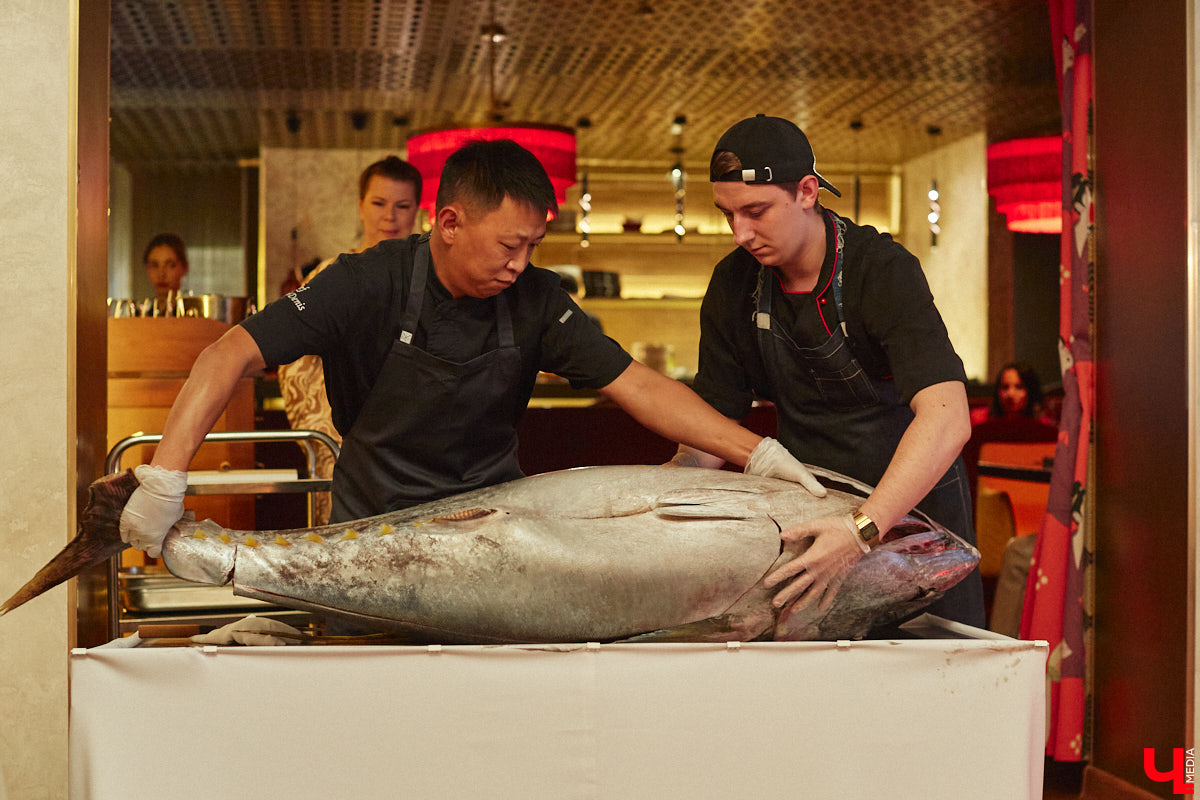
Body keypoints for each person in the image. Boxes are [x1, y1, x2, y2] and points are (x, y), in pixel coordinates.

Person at [120, 138, 826, 565]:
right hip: (369, 537)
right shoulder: (366, 281)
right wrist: (164, 479)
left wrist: (757, 453)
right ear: (450, 222)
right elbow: (227, 355)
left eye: (533, 246)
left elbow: (638, 385)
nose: (521, 264)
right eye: (509, 245)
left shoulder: (538, 298)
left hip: (492, 540)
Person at [671, 114, 985, 629]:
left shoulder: (880, 270)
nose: (741, 234)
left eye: (756, 212)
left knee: (931, 665)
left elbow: (948, 419)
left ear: (807, 192)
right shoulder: (734, 283)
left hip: (915, 523)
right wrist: (660, 503)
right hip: (811, 518)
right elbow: (711, 429)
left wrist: (861, 528)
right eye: (728, 215)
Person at [277, 155, 423, 524]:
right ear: (361, 206)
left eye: (402, 206)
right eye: (379, 203)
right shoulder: (333, 276)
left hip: (417, 450)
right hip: (344, 446)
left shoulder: (434, 281)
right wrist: (330, 440)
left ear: (417, 211)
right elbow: (293, 363)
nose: (389, 216)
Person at [971, 361, 1051, 425]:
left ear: (1031, 391)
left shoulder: (1042, 424)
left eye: (1019, 387)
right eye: (1005, 387)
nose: (1010, 394)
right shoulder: (979, 419)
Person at [143, 233, 188, 309]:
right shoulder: (141, 314)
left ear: (185, 267)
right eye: (154, 265)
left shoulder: (193, 315)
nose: (161, 274)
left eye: (171, 265)